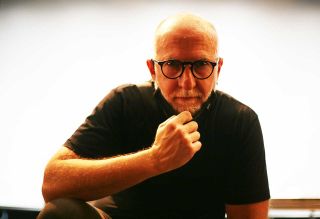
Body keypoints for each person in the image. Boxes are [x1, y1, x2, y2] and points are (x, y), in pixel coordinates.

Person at [37, 13, 270, 219]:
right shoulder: (124, 102)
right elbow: (52, 185)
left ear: (218, 69)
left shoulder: (240, 121)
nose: (186, 83)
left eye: (200, 65)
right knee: (62, 213)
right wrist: (155, 159)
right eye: (171, 64)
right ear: (153, 70)